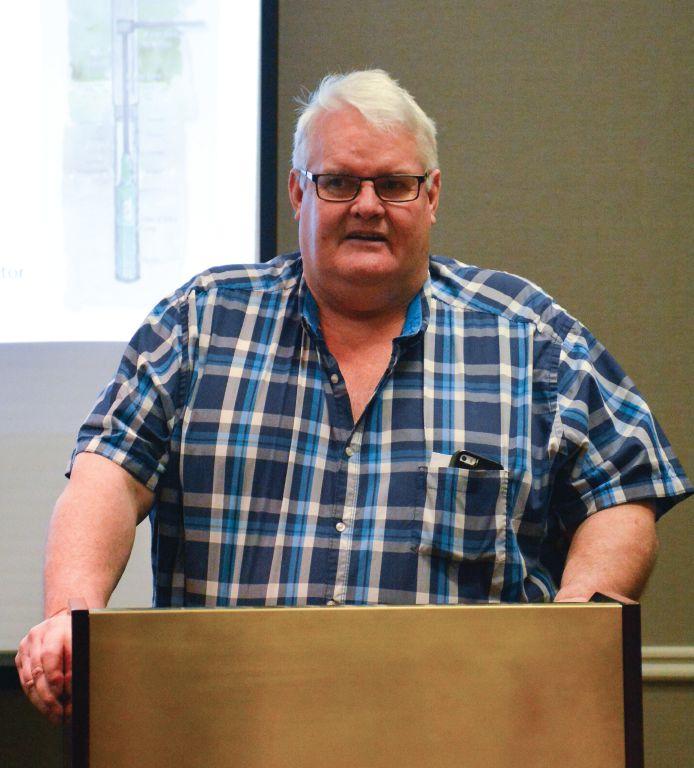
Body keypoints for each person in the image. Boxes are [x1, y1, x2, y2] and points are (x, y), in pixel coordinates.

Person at [16, 69, 691, 723]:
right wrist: (71, 614)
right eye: (338, 182)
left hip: (467, 738)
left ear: (431, 195)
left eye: (394, 184)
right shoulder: (201, 322)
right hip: (229, 736)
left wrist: (578, 626)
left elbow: (623, 490)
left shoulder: (528, 337)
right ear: (297, 192)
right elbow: (107, 477)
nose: (367, 206)